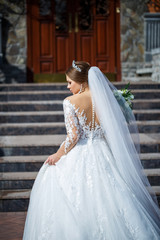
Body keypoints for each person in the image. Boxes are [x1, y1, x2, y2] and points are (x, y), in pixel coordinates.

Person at [23, 61, 160, 240]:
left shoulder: (70, 102)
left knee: (54, 177)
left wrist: (58, 154)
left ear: (81, 81)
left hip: (82, 151)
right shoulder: (104, 98)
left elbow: (74, 136)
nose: (67, 87)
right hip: (103, 150)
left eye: (70, 83)